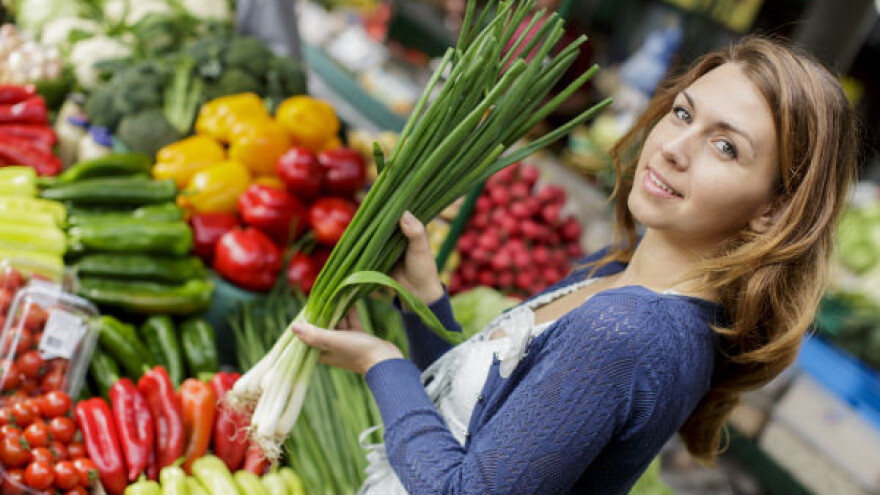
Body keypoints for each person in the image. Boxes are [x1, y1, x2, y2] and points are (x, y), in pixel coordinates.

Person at [291, 35, 858, 494]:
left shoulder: (627, 333)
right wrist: (425, 303)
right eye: (684, 113)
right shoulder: (612, 272)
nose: (673, 147)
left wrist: (381, 363)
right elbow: (485, 433)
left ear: (771, 211)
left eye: (726, 147)